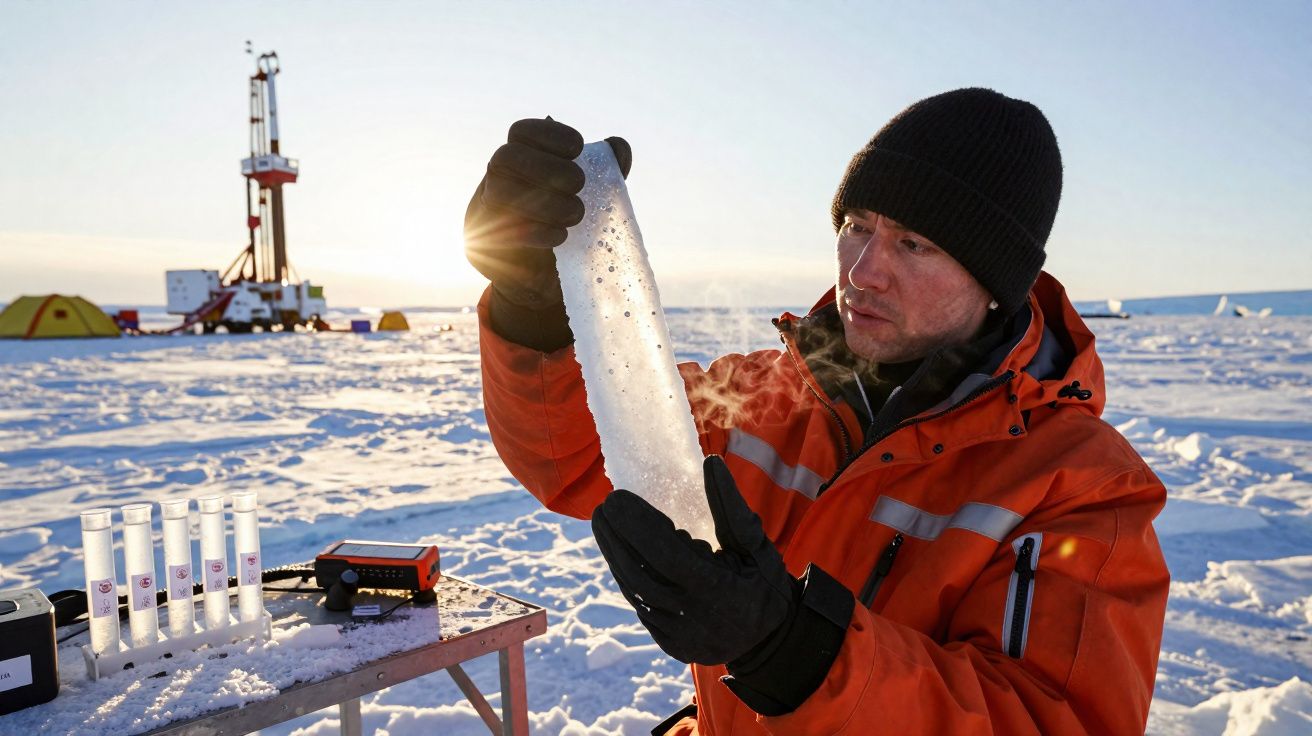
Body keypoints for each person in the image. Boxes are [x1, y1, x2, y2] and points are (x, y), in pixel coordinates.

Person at [464, 89, 1170, 735]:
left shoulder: (1082, 486)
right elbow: (581, 460)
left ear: (995, 284)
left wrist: (796, 655)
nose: (863, 271)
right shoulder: (762, 395)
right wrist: (534, 313)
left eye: (913, 243)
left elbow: (1055, 722)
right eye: (858, 225)